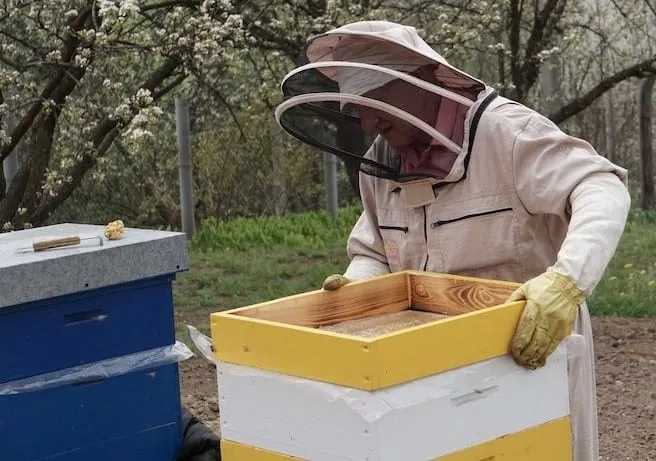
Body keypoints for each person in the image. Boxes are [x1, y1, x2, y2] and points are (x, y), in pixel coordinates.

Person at [274, 20, 631, 461]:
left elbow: (601, 187)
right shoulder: (382, 163)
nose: (367, 121)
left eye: (374, 101)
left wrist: (566, 281)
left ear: (419, 82)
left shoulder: (508, 134)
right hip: (433, 367)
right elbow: (374, 249)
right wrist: (360, 287)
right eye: (357, 107)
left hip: (530, 350)